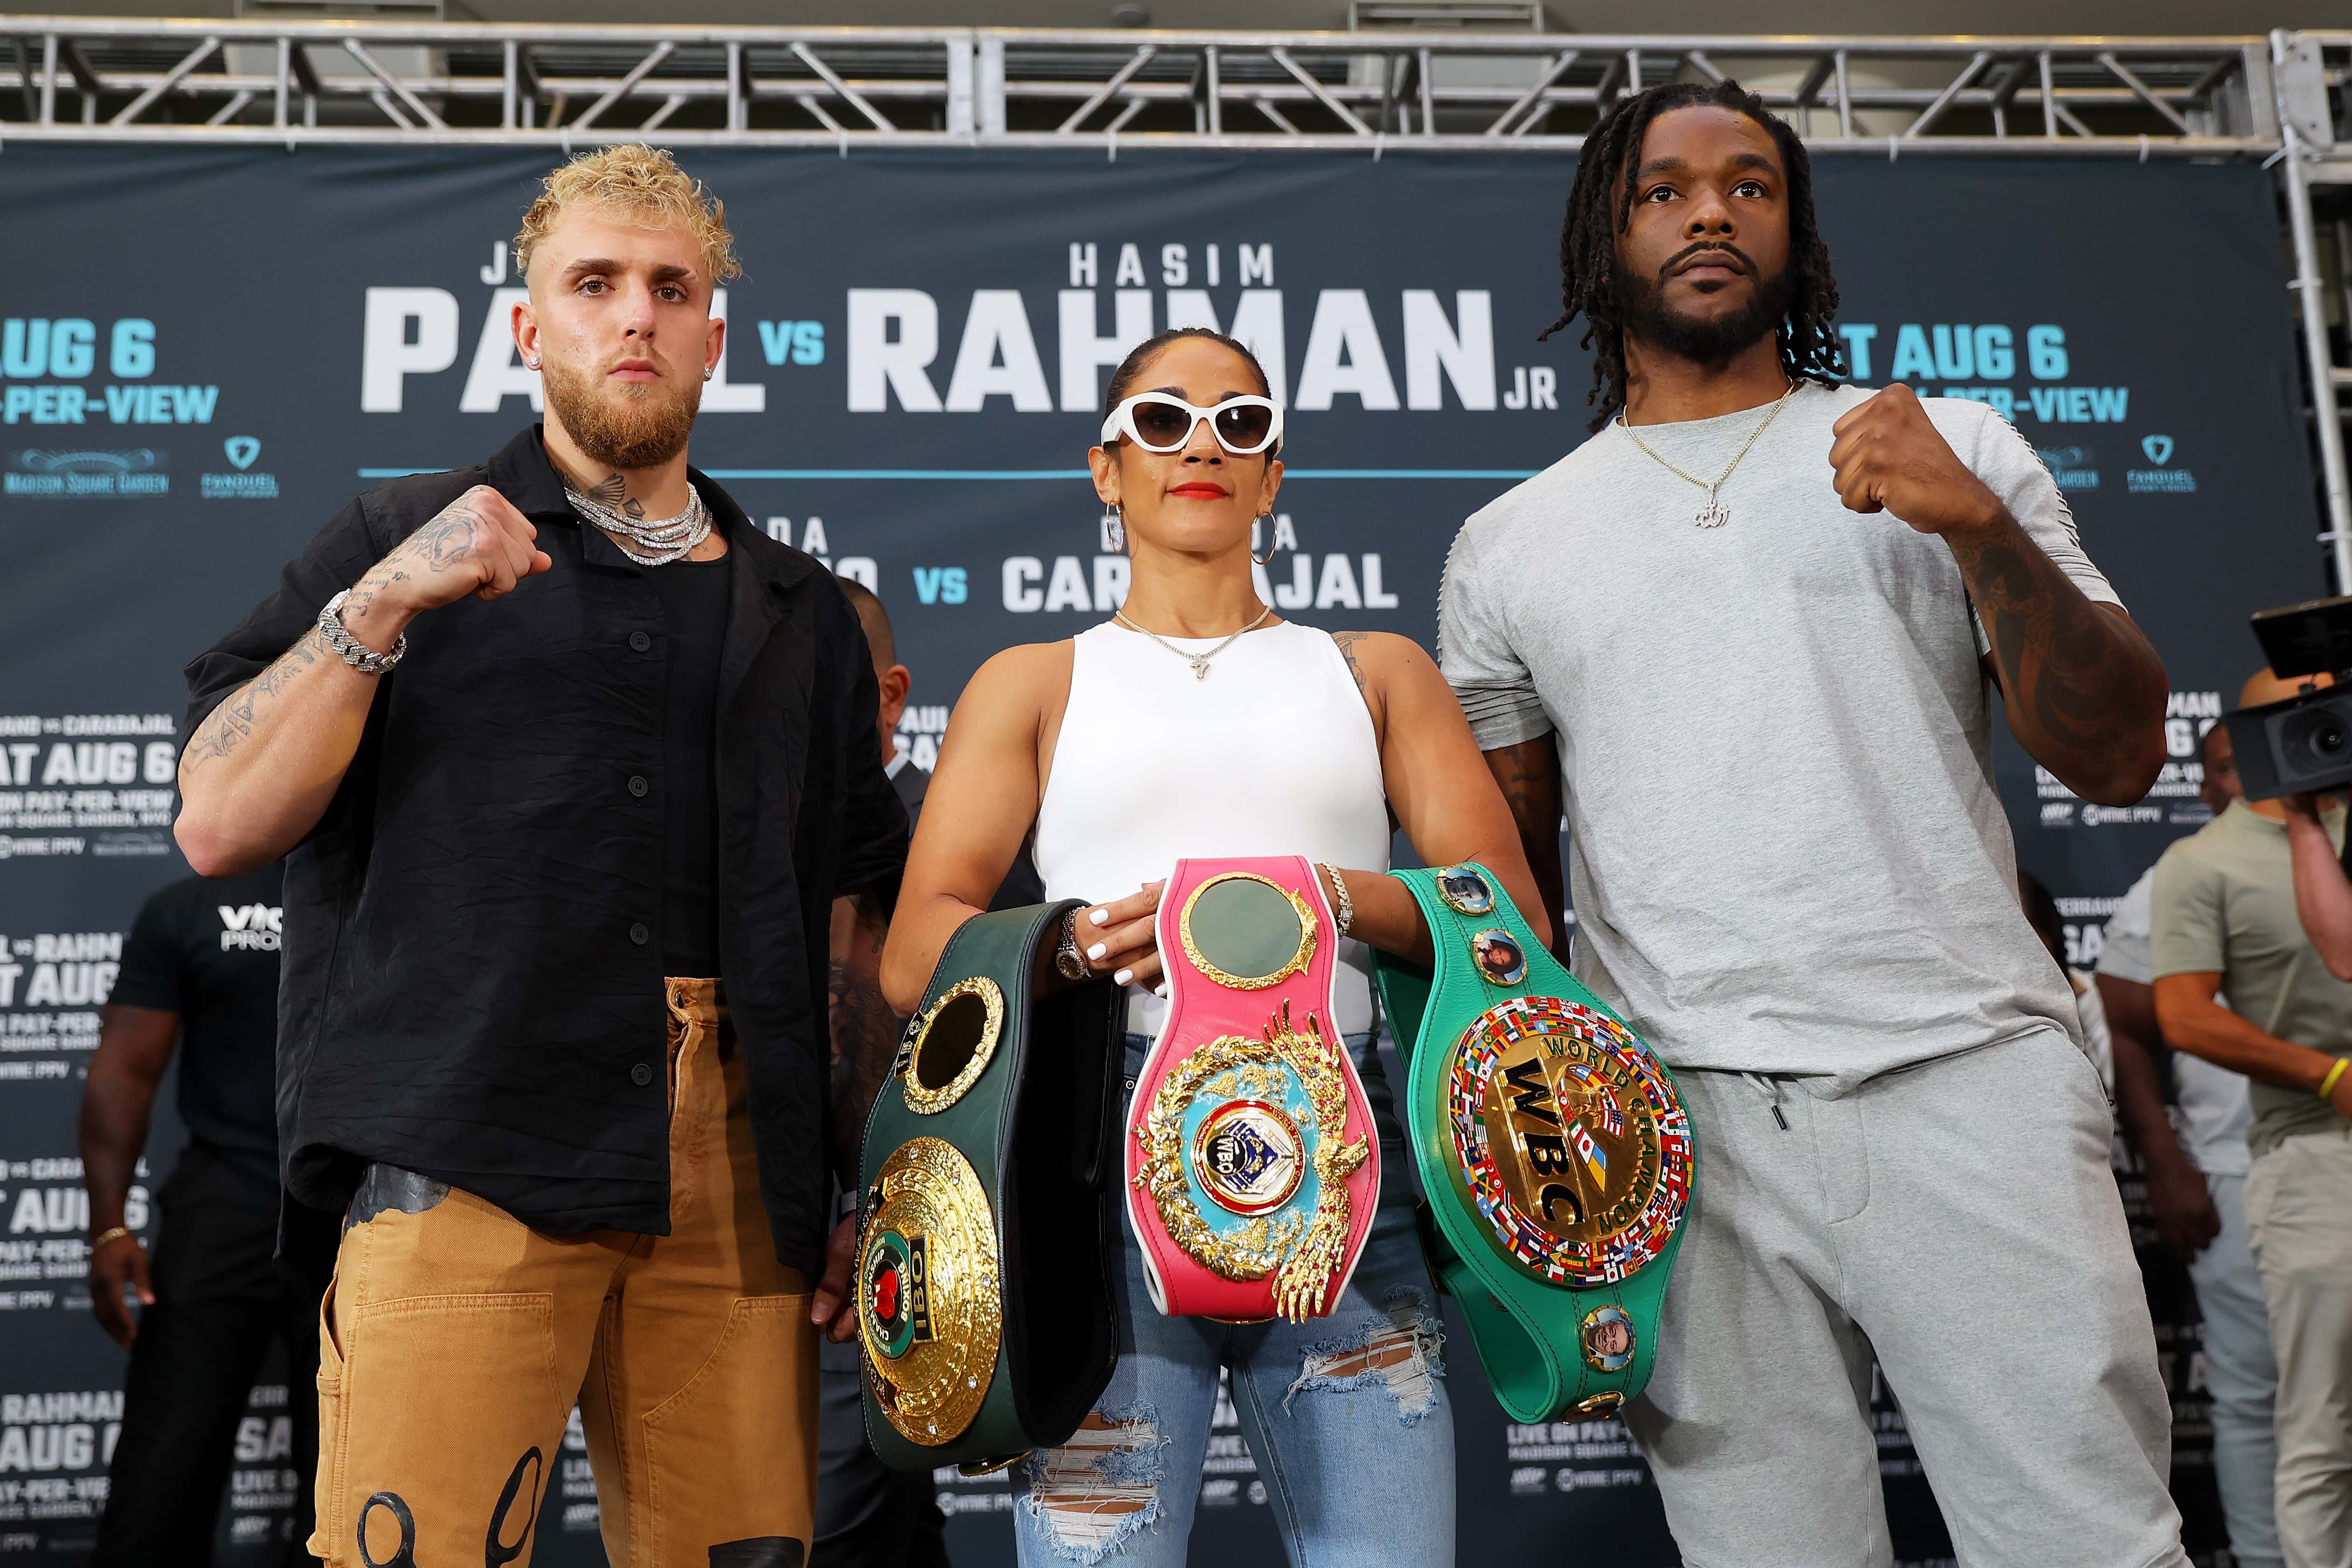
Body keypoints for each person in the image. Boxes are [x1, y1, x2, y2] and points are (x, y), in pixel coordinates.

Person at [1439, 78, 2181, 1566]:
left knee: (2086, 1543)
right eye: (1664, 188)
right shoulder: (1509, 545)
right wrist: (1547, 1175)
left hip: (1966, 1075)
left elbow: (2111, 752)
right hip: (1689, 1128)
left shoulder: (1945, 444)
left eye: (1750, 185)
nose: (1711, 209)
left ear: (1796, 229)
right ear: (1605, 233)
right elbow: (1501, 903)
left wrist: (1974, 523)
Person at [172, 144, 906, 1568]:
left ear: (714, 333)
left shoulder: (800, 609)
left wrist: (853, 1178)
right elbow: (216, 819)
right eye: (594, 284)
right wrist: (380, 605)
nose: (633, 315)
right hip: (463, 1136)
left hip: (741, 1184)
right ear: (527, 327)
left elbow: (844, 919)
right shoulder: (395, 536)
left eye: (667, 287)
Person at [879, 325, 1545, 1568]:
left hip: (1351, 1151)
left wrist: (1322, 899)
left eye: (1238, 423)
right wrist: (1070, 945)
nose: (1200, 444)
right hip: (1094, 1164)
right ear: (1105, 468)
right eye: (1161, 421)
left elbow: (1505, 916)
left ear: (1273, 473)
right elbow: (917, 952)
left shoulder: (1374, 670)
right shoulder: (1033, 681)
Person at [2154, 668, 2352, 1568]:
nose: (2314, 725)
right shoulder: (2201, 862)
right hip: (2313, 1154)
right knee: (2318, 1423)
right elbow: (2182, 1016)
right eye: (2290, 713)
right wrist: (2326, 1074)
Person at [81, 859, 329, 1565]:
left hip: (359, 1212)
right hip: (223, 1203)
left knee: (353, 1482)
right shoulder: (186, 909)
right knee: (162, 1472)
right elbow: (125, 1069)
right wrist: (109, 1224)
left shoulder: (386, 891)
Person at [2101, 718, 2281, 1568]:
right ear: (2202, 788)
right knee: (2250, 1398)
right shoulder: (2169, 884)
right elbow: (2124, 1023)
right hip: (2235, 1167)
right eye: (2221, 768)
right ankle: (2261, 1558)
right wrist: (2165, 1158)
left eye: (2259, 762)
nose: (2242, 781)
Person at [2020, 870, 2113, 1094]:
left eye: (2025, 938)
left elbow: (2105, 1086)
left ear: (2050, 935)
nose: (2016, 953)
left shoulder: (2080, 991)